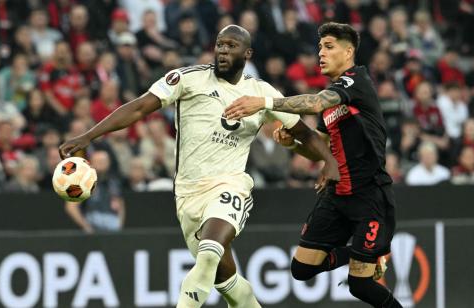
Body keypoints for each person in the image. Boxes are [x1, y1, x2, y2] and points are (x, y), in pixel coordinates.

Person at [59, 25, 338, 308]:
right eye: (220, 45)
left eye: (231, 46)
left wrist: (329, 161)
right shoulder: (188, 79)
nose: (223, 51)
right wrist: (89, 135)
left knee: (208, 255)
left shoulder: (260, 92)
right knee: (227, 283)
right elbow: (140, 107)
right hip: (188, 194)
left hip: (229, 185)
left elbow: (304, 134)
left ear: (248, 53)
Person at [225, 22, 403, 308]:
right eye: (320, 47)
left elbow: (316, 102)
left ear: (348, 52)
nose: (321, 52)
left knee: (360, 285)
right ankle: (368, 253)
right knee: (301, 269)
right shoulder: (334, 97)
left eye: (329, 47)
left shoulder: (356, 82)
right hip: (336, 197)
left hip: (370, 196)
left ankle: (370, 254)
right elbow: (319, 149)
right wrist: (293, 145)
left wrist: (264, 102)